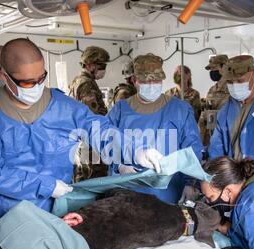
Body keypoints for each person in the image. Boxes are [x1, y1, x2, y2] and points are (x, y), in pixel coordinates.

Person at [0, 39, 163, 246]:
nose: (38, 86)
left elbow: (97, 128)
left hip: (51, 211)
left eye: (42, 78)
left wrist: (135, 151)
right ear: (5, 77)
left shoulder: (61, 105)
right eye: (28, 82)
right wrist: (46, 185)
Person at [107, 53, 204, 205]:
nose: (152, 85)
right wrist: (118, 165)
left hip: (169, 191)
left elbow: (192, 149)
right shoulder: (120, 111)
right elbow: (107, 142)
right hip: (129, 190)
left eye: (156, 80)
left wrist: (190, 183)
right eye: (146, 81)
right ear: (134, 80)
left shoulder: (180, 109)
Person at [69, 46, 110, 182]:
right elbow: (93, 117)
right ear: (90, 65)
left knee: (83, 177)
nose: (103, 69)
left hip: (81, 140)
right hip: (90, 142)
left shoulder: (77, 80)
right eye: (101, 65)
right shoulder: (87, 85)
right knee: (94, 180)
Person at [199, 54, 230, 146]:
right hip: (212, 139)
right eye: (210, 70)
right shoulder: (212, 90)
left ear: (224, 66)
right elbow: (206, 118)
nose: (212, 72)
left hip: (227, 138)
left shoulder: (233, 89)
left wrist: (210, 115)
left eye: (214, 68)